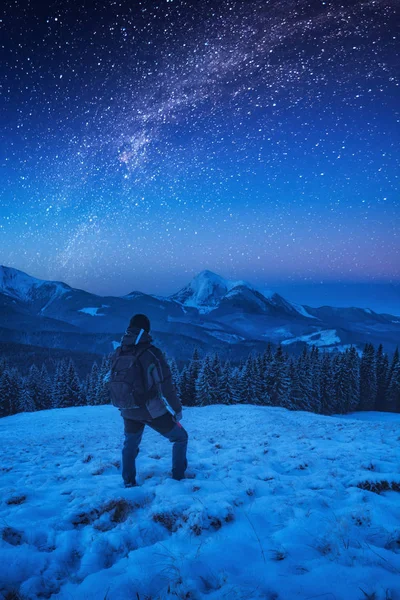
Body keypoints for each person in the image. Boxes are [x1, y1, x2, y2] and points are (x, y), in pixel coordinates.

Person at [115, 313, 188, 487]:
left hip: (127, 408)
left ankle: (128, 482)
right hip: (150, 409)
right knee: (180, 437)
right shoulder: (152, 354)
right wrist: (177, 409)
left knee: (130, 445)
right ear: (147, 330)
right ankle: (178, 478)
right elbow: (166, 386)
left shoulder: (119, 351)